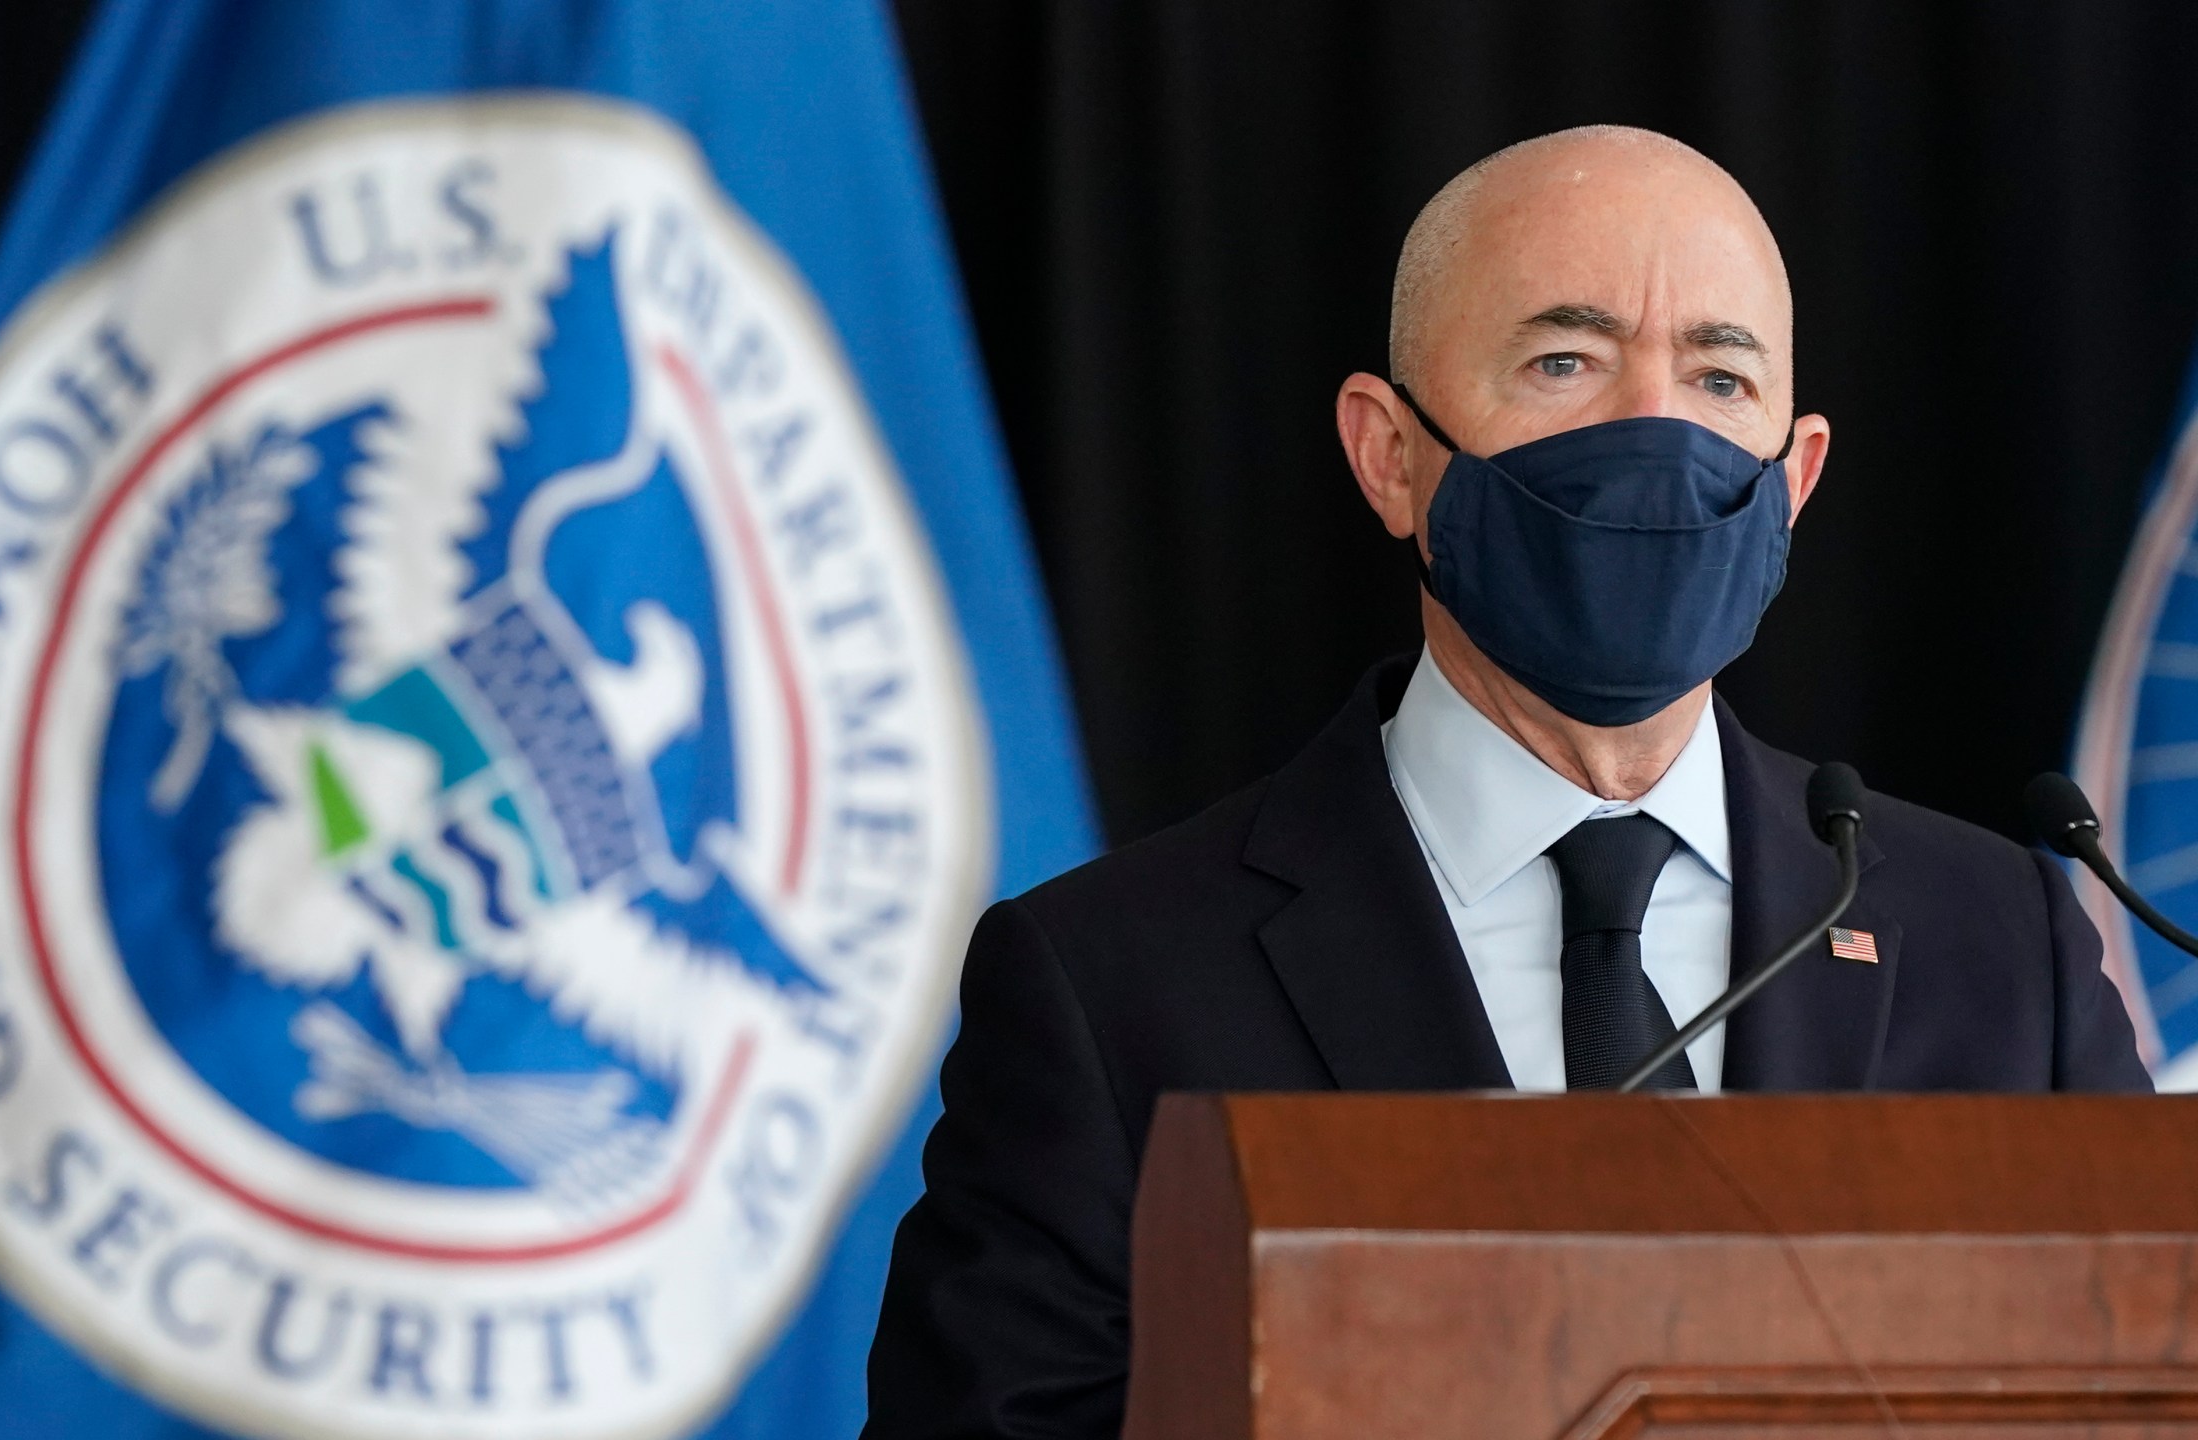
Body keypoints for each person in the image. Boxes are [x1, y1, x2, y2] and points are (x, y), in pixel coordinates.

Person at [861, 125, 2151, 1440]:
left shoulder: (2001, 949)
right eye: (1564, 363)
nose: (1652, 430)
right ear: (1390, 455)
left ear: (1798, 475)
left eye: (1717, 376)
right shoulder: (1107, 986)